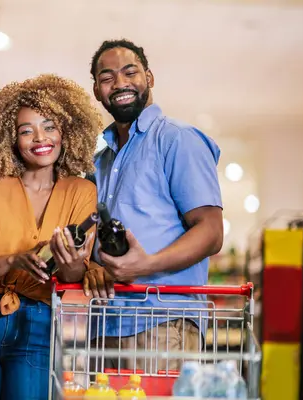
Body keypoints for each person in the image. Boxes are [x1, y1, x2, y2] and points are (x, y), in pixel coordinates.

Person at [0, 74, 103, 399]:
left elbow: (72, 275)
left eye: (49, 127)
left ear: (66, 131)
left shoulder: (82, 191)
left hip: (38, 324)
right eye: (26, 130)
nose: (39, 138)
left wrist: (70, 262)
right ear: (10, 139)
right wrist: (12, 261)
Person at [83, 39, 224, 371]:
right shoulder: (99, 162)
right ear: (96, 90)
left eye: (130, 72)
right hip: (107, 325)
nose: (120, 83)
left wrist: (145, 265)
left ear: (149, 77)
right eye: (107, 77)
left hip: (162, 322)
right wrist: (92, 266)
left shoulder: (178, 139)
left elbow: (211, 231)